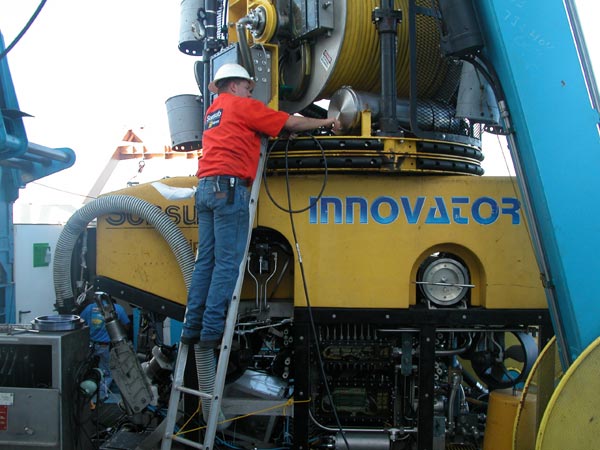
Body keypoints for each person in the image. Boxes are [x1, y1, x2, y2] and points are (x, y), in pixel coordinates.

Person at [181, 63, 340, 347]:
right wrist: (327, 122)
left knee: (206, 261)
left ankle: (192, 328)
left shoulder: (214, 112)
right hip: (228, 190)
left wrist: (269, 132)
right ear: (233, 86)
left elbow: (242, 134)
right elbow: (290, 122)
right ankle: (211, 333)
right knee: (227, 264)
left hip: (206, 188)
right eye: (247, 88)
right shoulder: (242, 106)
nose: (250, 93)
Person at [80, 294, 131, 401]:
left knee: (88, 368)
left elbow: (80, 322)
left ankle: (87, 392)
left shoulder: (89, 308)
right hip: (106, 346)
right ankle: (102, 395)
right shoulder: (118, 309)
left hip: (91, 345)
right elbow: (127, 326)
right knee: (107, 372)